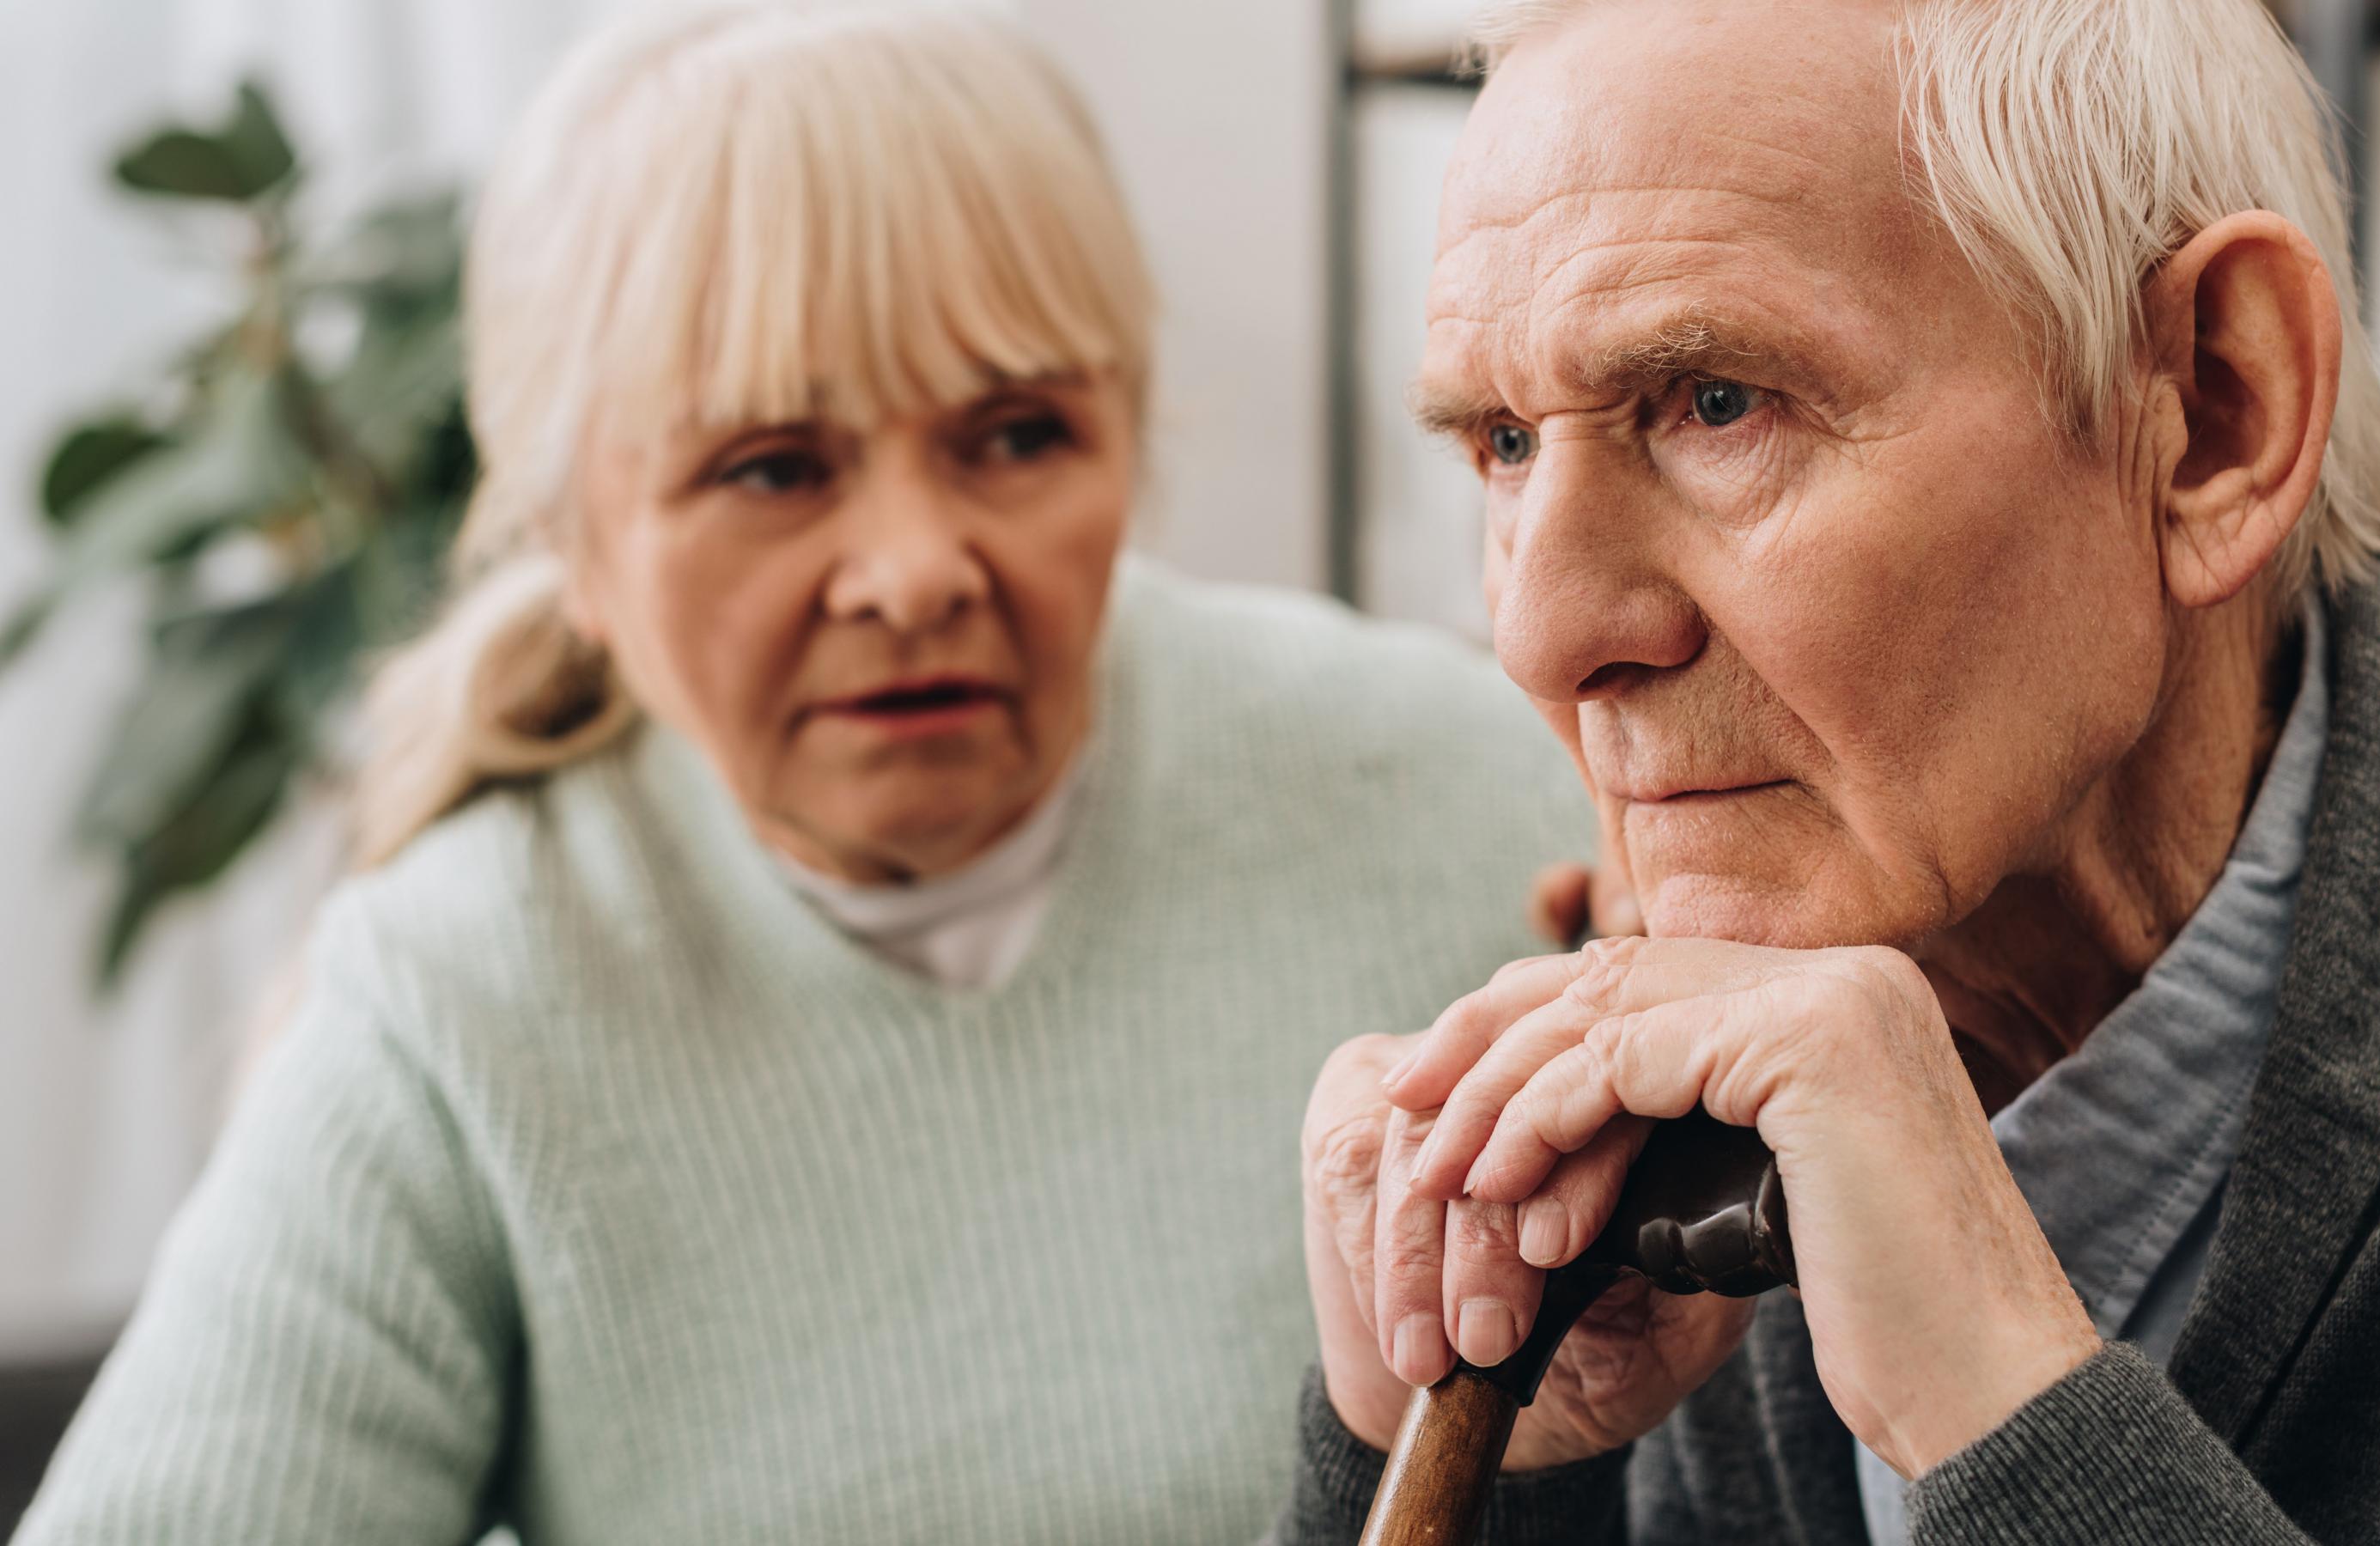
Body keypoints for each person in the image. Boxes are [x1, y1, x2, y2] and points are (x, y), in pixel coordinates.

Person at [14, 5, 1593, 1543]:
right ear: (572, 540)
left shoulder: (1472, 792)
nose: (912, 573)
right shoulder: (459, 991)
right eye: (771, 468)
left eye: (1015, 435)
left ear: (1128, 439)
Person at [1275, 0, 2380, 1542]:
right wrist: (1474, 1457)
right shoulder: (1651, 1075)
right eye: (1506, 443)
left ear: (2211, 416)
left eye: (1719, 404)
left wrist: (2006, 1407)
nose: (1543, 631)